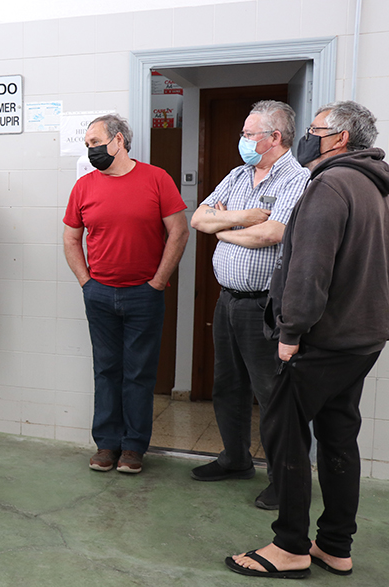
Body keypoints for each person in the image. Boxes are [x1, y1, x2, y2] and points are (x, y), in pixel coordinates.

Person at [227, 101, 389, 578]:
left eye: (316, 129)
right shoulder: (376, 185)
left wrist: (290, 331)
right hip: (362, 339)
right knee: (339, 438)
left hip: (322, 339)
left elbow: (309, 268)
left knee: (285, 433)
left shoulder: (331, 185)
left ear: (340, 138)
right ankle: (335, 545)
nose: (307, 137)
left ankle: (290, 546)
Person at [189, 101, 309, 510]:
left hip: (264, 306)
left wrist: (224, 229)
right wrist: (244, 217)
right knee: (228, 386)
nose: (242, 140)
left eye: (248, 134)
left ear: (274, 137)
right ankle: (236, 459)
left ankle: (283, 480)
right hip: (227, 300)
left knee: (271, 394)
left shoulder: (297, 178)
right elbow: (198, 219)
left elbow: (272, 234)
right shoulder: (238, 174)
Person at [63, 113, 189, 474]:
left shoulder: (157, 179)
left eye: (96, 142)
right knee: (106, 370)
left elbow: (179, 232)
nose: (91, 150)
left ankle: (133, 447)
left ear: (118, 141)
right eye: (87, 144)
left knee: (139, 373)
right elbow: (71, 238)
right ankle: (107, 444)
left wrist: (158, 282)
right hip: (100, 294)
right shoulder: (84, 186)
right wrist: (86, 282)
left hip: (144, 295)